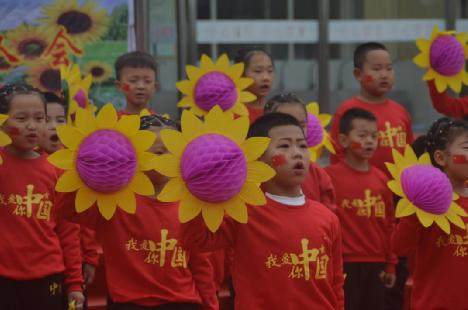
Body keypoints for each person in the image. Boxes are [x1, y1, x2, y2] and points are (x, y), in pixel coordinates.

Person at [181, 113, 344, 309]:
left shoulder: (327, 218)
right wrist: (202, 191)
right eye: (284, 146)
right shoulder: (242, 212)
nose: (297, 153)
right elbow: (194, 240)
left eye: (302, 145)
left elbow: (336, 283)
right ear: (258, 157)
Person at [66, 114, 218, 310]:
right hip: (129, 303)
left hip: (182, 303)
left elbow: (200, 265)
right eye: (152, 153)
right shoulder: (114, 202)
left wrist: (211, 305)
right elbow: (66, 210)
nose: (161, 160)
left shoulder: (191, 203)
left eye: (167, 153)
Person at [0, 84, 84, 309]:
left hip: (48, 276)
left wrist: (75, 283)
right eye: (21, 118)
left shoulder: (55, 170)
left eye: (39, 118)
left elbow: (67, 231)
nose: (32, 126)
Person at [392, 117, 468, 310]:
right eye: (467, 148)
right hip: (434, 304)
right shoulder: (426, 199)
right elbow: (400, 247)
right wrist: (415, 209)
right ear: (441, 157)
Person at [325, 108, 396, 310]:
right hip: (344, 263)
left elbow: (390, 224)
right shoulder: (329, 177)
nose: (370, 141)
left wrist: (390, 264)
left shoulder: (382, 179)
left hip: (376, 264)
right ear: (344, 140)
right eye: (362, 135)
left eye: (374, 136)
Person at [40, 91, 101, 309]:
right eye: (46, 120)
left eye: (60, 120)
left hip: (78, 262)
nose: (55, 127)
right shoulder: (36, 170)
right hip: (50, 266)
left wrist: (91, 258)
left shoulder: (77, 164)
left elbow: (86, 222)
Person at [330, 42, 414, 176]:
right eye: (376, 69)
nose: (384, 75)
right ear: (358, 74)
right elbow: (336, 155)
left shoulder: (400, 111)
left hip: (399, 190)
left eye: (389, 68)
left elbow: (411, 152)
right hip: (361, 191)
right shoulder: (347, 110)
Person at [264, 92, 336, 210]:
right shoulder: (255, 172)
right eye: (286, 123)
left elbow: (329, 214)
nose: (295, 129)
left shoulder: (316, 173)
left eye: (301, 124)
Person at [234, 47, 275, 123]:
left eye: (270, 71)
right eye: (258, 71)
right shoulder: (230, 113)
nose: (266, 77)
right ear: (241, 74)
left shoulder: (278, 112)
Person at [115, 51, 158, 117]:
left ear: (155, 86)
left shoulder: (162, 123)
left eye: (147, 81)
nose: (141, 86)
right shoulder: (112, 122)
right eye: (133, 81)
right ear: (119, 86)